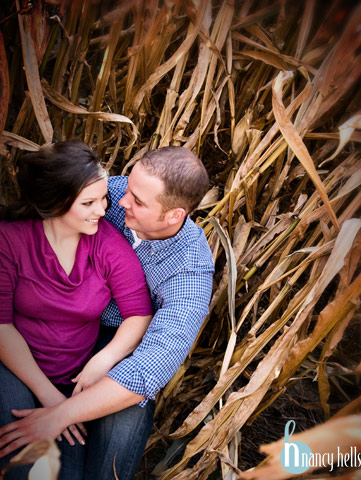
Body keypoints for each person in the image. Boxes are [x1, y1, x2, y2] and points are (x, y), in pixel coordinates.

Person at [0, 146, 215, 480]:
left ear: (175, 215)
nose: (121, 201)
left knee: (124, 418)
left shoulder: (189, 268)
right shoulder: (107, 194)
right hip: (56, 325)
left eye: (138, 201)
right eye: (128, 187)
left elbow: (150, 366)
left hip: (125, 341)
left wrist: (59, 413)